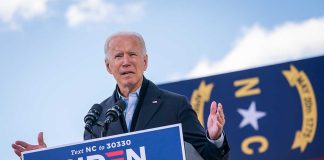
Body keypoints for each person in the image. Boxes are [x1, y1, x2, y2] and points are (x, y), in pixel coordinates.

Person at [12, 32, 230, 159]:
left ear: (145, 61)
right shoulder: (96, 117)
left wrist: (214, 137)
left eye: (132, 54)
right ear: (109, 66)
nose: (126, 61)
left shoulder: (175, 104)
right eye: (118, 56)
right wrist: (48, 158)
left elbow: (210, 157)